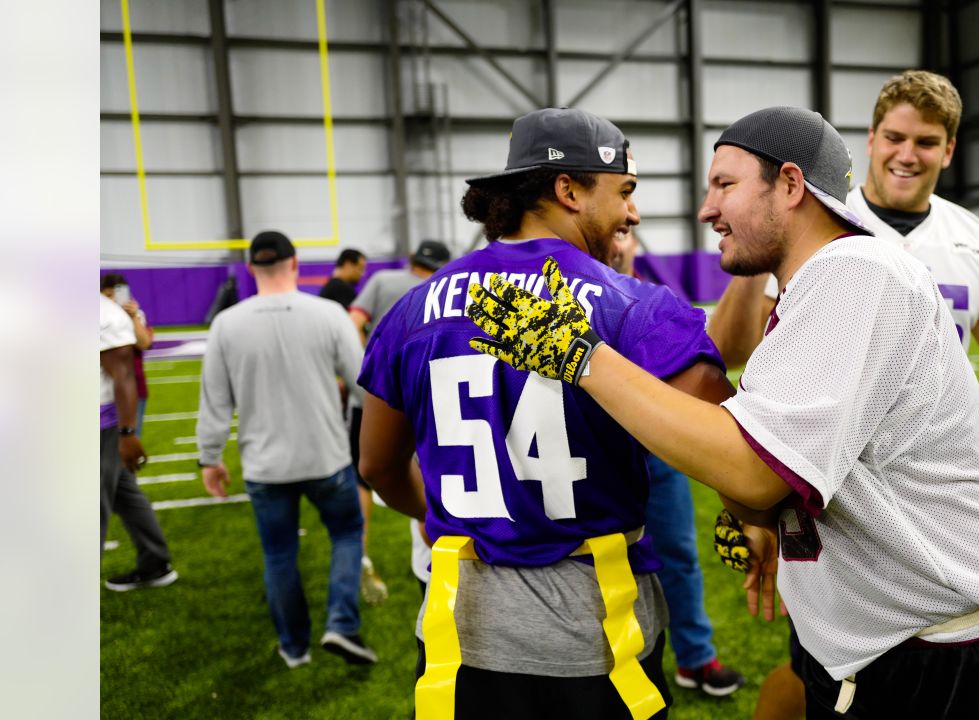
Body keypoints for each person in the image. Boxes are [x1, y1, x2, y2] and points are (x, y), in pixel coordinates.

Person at [467, 106, 979, 719]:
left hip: (960, 644)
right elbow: (778, 458)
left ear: (791, 184)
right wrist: (769, 518)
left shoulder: (856, 272)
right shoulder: (815, 286)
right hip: (878, 645)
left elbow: (754, 469)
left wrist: (583, 358)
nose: (707, 209)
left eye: (725, 185)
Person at [709, 73, 979, 719]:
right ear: (870, 139)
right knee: (822, 666)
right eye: (893, 136)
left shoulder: (971, 239)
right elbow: (731, 351)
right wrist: (760, 251)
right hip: (829, 498)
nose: (906, 153)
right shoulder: (817, 225)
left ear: (949, 150)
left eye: (927, 140)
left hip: (917, 494)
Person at [357, 107, 733, 719]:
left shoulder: (411, 309)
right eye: (624, 191)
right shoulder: (632, 303)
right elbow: (732, 445)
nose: (630, 212)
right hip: (596, 637)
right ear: (569, 190)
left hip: (462, 636)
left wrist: (465, 513)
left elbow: (377, 464)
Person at [196, 230, 377, 669]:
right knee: (347, 533)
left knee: (279, 554)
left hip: (264, 463)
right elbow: (362, 385)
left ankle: (294, 647)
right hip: (326, 455)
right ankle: (341, 623)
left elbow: (214, 401)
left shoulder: (227, 324)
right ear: (295, 264)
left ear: (251, 269)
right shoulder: (330, 314)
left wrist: (209, 457)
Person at [609, 226, 747, 697]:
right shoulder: (574, 296)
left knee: (679, 556)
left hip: (657, 454)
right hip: (595, 456)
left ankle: (695, 657)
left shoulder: (650, 300)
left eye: (630, 230)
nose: (622, 236)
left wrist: (746, 502)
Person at [346, 239, 453, 605]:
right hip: (436, 391)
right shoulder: (449, 290)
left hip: (380, 391)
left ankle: (362, 546)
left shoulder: (384, 281)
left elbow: (354, 321)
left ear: (412, 260)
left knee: (368, 471)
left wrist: (372, 364)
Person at [100, 288, 176, 590]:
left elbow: (124, 374)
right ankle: (155, 562)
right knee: (125, 495)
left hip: (98, 426)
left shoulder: (103, 313)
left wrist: (128, 433)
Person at [101, 274, 155, 435]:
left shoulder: (136, 316)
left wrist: (132, 317)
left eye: (117, 295)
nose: (113, 300)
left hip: (132, 390)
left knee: (130, 439)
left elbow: (144, 343)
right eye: (107, 296)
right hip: (103, 395)